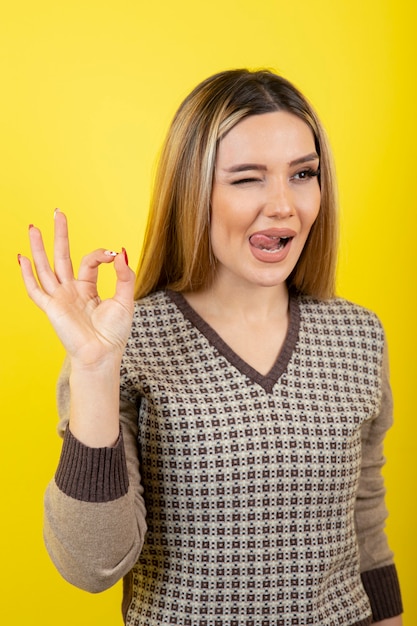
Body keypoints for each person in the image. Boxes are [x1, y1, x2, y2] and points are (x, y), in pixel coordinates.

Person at [19, 69, 403, 626]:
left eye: (303, 174)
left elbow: (366, 526)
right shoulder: (126, 341)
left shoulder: (358, 337)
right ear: (193, 192)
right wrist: (95, 370)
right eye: (248, 179)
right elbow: (92, 565)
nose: (283, 206)